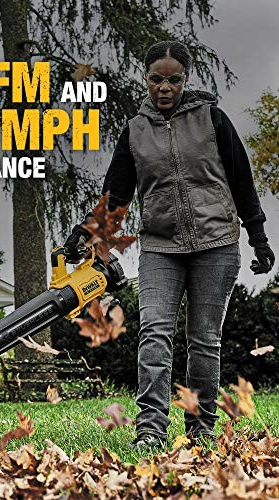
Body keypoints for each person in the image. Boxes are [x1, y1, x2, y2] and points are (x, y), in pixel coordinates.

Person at [64, 41, 275, 451]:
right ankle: (151, 429)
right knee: (155, 332)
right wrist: (86, 233)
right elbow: (116, 196)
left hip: (216, 243)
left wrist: (259, 237)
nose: (165, 87)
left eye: (173, 80)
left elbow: (242, 180)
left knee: (203, 340)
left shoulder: (213, 119)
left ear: (185, 79)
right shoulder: (135, 130)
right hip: (160, 246)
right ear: (146, 79)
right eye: (157, 79)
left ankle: (199, 428)